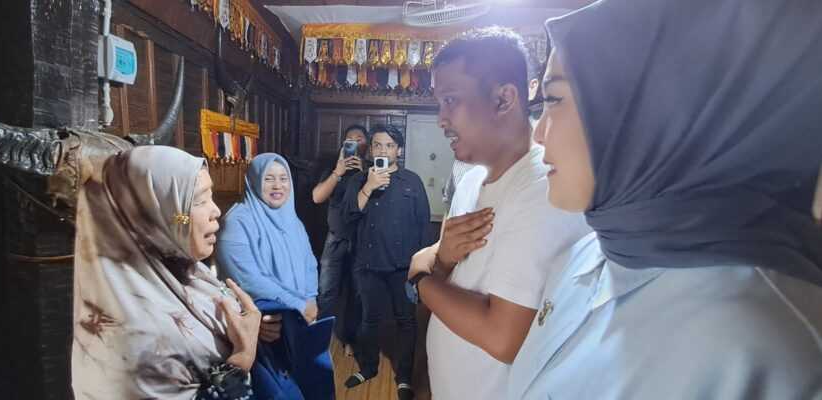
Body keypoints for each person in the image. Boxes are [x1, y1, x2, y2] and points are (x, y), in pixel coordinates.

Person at [505, 0, 822, 398]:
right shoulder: (593, 252)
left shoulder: (767, 354)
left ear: (655, 111)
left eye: (554, 99)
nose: (539, 134)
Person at [405, 28, 590, 400]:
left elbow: (502, 337)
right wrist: (440, 261)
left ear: (504, 99)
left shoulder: (545, 184)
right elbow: (440, 260)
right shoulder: (472, 178)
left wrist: (419, 281)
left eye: (451, 100)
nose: (441, 119)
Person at [71, 145, 261, 400]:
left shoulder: (186, 272)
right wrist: (242, 358)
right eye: (198, 200)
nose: (216, 211)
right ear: (153, 216)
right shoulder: (137, 333)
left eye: (211, 197)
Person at [342, 125, 430, 400]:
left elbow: (423, 223)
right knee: (369, 320)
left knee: (406, 321)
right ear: (370, 150)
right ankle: (368, 368)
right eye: (378, 145)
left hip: (404, 267)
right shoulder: (359, 180)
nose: (383, 150)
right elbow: (348, 217)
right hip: (368, 265)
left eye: (389, 145)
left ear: (398, 150)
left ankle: (404, 377)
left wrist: (421, 268)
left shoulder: (412, 181)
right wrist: (369, 186)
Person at [216, 153, 319, 329]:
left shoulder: (293, 221)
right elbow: (248, 280)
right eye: (268, 179)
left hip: (302, 317)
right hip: (260, 321)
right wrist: (299, 306)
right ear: (255, 181)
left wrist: (311, 299)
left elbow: (310, 265)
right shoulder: (236, 222)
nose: (277, 185)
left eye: (283, 179)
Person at [312, 125, 369, 356]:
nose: (354, 142)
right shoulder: (333, 168)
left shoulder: (372, 169)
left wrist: (363, 173)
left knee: (357, 292)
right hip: (335, 238)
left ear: (366, 144)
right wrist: (338, 172)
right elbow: (317, 197)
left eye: (359, 139)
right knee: (326, 290)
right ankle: (320, 339)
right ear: (343, 144)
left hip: (362, 239)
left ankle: (350, 340)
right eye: (349, 139)